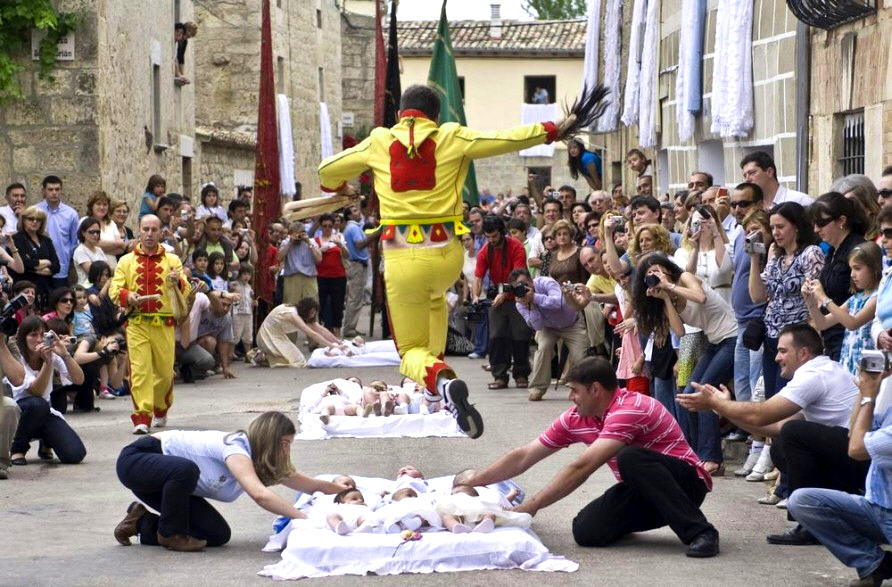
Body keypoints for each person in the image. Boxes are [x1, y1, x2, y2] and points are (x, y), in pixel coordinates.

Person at [317, 84, 588, 439]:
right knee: (432, 312)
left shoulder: (378, 141)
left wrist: (338, 188)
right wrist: (552, 129)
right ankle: (437, 393)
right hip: (446, 253)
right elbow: (505, 139)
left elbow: (326, 171)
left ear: (401, 113)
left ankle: (442, 381)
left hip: (403, 254)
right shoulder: (451, 136)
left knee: (410, 351)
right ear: (436, 116)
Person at [462, 357, 719, 557]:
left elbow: (583, 466)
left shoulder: (630, 408)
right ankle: (661, 514)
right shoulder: (576, 417)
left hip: (687, 485)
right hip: (646, 488)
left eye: (574, 390)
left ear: (595, 389)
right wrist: (475, 481)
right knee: (586, 531)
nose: (570, 398)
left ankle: (701, 532)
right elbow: (525, 455)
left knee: (631, 458)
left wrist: (532, 505)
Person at [678, 323, 861, 546]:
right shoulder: (820, 370)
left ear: (803, 353)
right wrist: (722, 408)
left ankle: (812, 525)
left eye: (783, 351)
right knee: (782, 444)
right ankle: (827, 517)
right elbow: (774, 427)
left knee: (792, 435)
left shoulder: (813, 374)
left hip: (860, 461)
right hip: (852, 456)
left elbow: (762, 415)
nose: (776, 358)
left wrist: (721, 404)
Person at [113, 411, 346, 551]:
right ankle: (171, 535)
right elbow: (260, 495)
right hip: (138, 461)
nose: (286, 451)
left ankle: (141, 522)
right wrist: (306, 519)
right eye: (284, 443)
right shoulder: (235, 448)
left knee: (216, 535)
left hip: (165, 487)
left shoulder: (257, 460)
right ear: (268, 440)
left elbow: (310, 484)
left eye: (289, 445)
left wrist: (346, 490)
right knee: (185, 469)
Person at [786, 368, 892, 587]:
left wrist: (869, 396)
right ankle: (875, 563)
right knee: (803, 501)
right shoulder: (886, 401)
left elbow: (856, 449)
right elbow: (852, 433)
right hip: (878, 507)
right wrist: (864, 393)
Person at [634, 253, 737, 475]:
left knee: (702, 392)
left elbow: (700, 297)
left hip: (732, 337)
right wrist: (664, 299)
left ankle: (712, 458)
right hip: (714, 342)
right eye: (649, 274)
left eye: (657, 270)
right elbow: (679, 332)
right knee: (688, 395)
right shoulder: (668, 297)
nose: (654, 275)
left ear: (668, 268)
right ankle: (695, 453)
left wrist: (670, 286)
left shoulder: (686, 278)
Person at [109, 214, 190, 434]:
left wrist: (177, 282)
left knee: (164, 373)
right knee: (140, 372)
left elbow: (186, 290)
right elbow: (114, 290)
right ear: (139, 230)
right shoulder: (126, 261)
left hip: (164, 324)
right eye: (146, 229)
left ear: (161, 232)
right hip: (136, 323)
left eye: (154, 230)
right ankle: (142, 417)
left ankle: (161, 407)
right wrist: (128, 297)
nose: (149, 234)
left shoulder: (172, 260)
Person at [748, 202, 824, 399]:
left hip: (797, 339)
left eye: (780, 227)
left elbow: (815, 295)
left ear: (796, 226)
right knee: (771, 394)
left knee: (786, 396)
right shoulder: (777, 259)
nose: (775, 232)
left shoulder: (810, 253)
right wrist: (755, 259)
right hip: (772, 336)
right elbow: (757, 296)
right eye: (772, 228)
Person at [5, 317, 86, 466]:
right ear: (23, 337)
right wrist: (47, 363)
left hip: (43, 412)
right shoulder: (17, 357)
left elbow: (79, 379)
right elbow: (36, 391)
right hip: (19, 413)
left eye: (43, 335)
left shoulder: (51, 354)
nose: (39, 339)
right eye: (33, 335)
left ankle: (46, 442)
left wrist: (65, 354)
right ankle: (17, 449)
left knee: (75, 454)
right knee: (37, 404)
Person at [803, 242, 881, 376]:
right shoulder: (855, 299)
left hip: (869, 369)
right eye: (851, 269)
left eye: (857, 268)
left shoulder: (878, 297)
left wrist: (824, 298)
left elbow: (852, 323)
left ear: (874, 268)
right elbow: (822, 324)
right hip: (849, 365)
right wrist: (809, 301)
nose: (852, 274)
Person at [512, 268, 589, 401]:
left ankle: (582, 390)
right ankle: (537, 388)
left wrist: (535, 298)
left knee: (579, 355)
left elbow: (558, 302)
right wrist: (532, 305)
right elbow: (537, 326)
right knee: (543, 348)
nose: (522, 289)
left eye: (524, 284)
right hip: (548, 327)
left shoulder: (546, 282)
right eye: (517, 287)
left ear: (531, 281)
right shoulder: (520, 304)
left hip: (572, 323)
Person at [474, 214, 531, 391]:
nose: (492, 240)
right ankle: (499, 375)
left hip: (518, 295)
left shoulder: (516, 247)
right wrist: (476, 295)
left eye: (495, 236)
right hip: (497, 296)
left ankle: (521, 373)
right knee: (497, 337)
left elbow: (518, 276)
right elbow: (478, 276)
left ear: (502, 232)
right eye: (488, 237)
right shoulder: (485, 250)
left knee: (520, 336)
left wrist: (505, 293)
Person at [810, 192, 868, 359]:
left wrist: (822, 295)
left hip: (850, 338)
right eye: (814, 223)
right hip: (831, 337)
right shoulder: (833, 251)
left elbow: (860, 300)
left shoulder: (857, 248)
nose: (816, 229)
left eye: (821, 223)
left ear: (841, 221)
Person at [254, 298, 344, 368]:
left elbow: (321, 329)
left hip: (278, 335)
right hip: (267, 334)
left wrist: (338, 341)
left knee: (299, 360)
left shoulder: (304, 316)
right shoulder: (293, 314)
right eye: (311, 312)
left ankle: (266, 354)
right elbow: (312, 334)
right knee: (293, 362)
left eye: (314, 313)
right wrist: (332, 346)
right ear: (305, 310)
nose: (313, 315)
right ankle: (261, 355)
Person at [11, 205, 59, 310]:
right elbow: (24, 264)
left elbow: (56, 266)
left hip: (46, 289)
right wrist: (47, 262)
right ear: (23, 220)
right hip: (26, 290)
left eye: (38, 220)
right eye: (31, 219)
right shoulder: (16, 239)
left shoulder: (46, 240)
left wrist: (34, 267)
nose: (35, 222)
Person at [35, 175, 79, 289]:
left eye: (57, 189)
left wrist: (66, 258)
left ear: (61, 190)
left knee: (59, 301)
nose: (54, 193)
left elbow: (74, 242)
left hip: (61, 267)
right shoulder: (36, 211)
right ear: (44, 191)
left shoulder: (71, 214)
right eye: (50, 189)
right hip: (39, 267)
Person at [740, 151, 813, 209]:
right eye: (745, 175)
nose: (747, 180)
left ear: (769, 172)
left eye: (752, 173)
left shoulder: (800, 200)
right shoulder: (751, 208)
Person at [314, 213, 348, 338]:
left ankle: (337, 332)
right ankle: (324, 332)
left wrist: (340, 245)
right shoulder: (316, 240)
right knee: (321, 304)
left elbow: (346, 255)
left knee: (338, 304)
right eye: (324, 226)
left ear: (333, 226)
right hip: (321, 276)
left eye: (330, 226)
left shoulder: (339, 237)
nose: (327, 228)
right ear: (321, 227)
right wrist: (320, 250)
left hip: (338, 276)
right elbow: (314, 259)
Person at [278, 220, 321, 306]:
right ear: (290, 233)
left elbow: (319, 259)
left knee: (311, 307)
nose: (298, 236)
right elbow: (279, 257)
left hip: (309, 278)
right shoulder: (286, 243)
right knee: (291, 307)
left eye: (300, 233)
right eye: (295, 233)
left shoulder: (311, 242)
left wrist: (308, 242)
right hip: (292, 279)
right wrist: (290, 243)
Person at [72, 217, 110, 288]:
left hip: (102, 286)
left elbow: (108, 269)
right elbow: (94, 274)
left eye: (97, 232)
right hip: (87, 289)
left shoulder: (98, 249)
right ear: (83, 233)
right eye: (91, 232)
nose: (95, 235)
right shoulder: (80, 250)